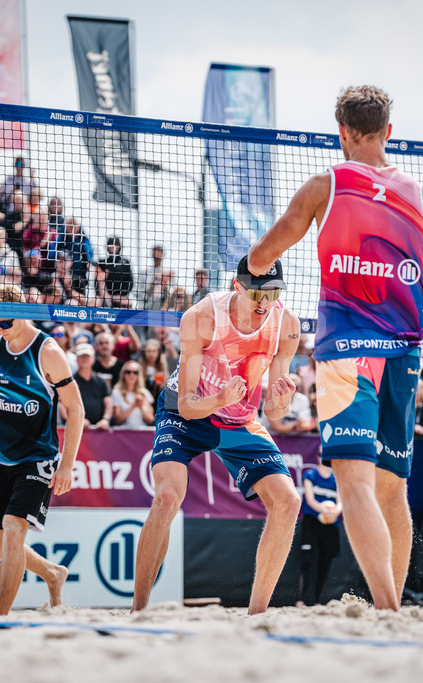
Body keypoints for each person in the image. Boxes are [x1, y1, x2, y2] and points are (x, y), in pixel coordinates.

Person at [247, 85, 423, 611]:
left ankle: (388, 609)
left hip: (349, 349)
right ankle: (393, 609)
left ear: (341, 132)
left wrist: (251, 274)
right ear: (389, 131)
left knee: (352, 483)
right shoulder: (422, 197)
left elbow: (266, 251)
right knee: (391, 490)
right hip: (405, 350)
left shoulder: (325, 185)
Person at [133, 257, 302, 615]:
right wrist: (219, 399)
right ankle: (139, 610)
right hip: (190, 414)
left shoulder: (286, 325)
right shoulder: (202, 317)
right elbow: (188, 404)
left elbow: (273, 411)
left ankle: (256, 615)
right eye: (257, 292)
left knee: (288, 503)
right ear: (237, 287)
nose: (264, 302)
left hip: (240, 419)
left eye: (272, 293)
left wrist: (282, 401)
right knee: (167, 498)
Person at [0, 283, 84, 616]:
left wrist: (67, 465)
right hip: (1, 455)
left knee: (13, 530)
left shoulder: (48, 352)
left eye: (5, 324)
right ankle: (53, 573)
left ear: (23, 313)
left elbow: (76, 410)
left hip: (38, 457)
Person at [298, 459, 341, 607]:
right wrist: (325, 510)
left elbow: (341, 501)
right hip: (312, 521)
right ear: (317, 457)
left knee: (325, 562)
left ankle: (317, 601)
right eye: (321, 454)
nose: (325, 458)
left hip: (331, 524)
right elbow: (310, 500)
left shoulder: (337, 478)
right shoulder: (310, 475)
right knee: (308, 561)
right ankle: (303, 600)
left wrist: (335, 512)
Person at [70, 343, 113, 429]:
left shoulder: (102, 381)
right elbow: (64, 407)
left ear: (93, 359)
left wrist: (105, 420)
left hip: (99, 430)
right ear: (77, 359)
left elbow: (108, 403)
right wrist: (78, 420)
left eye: (87, 356)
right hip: (76, 429)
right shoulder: (70, 382)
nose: (84, 359)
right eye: (82, 356)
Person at [110, 360, 155, 428]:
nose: (131, 375)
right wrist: (133, 406)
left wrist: (142, 407)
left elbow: (150, 420)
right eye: (128, 372)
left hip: (142, 433)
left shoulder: (145, 393)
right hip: (123, 434)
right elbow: (117, 421)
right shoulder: (116, 393)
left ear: (138, 375)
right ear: (123, 374)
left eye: (135, 372)